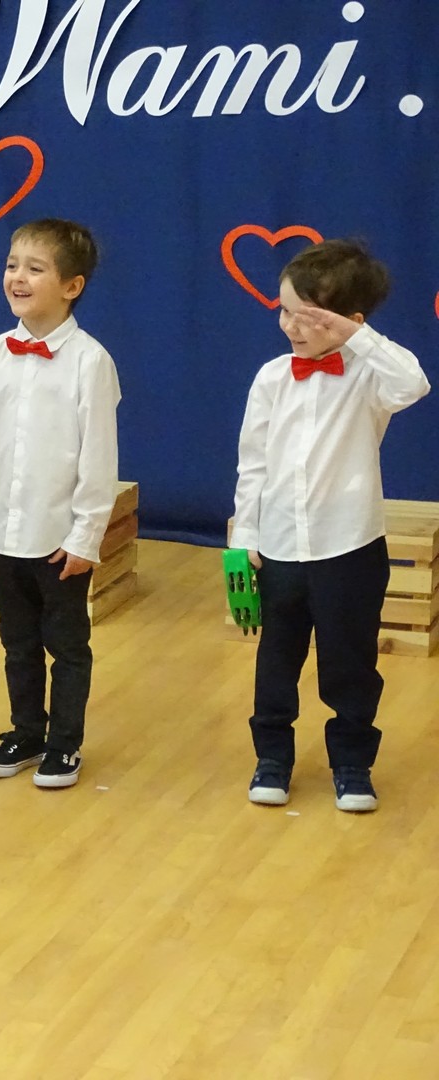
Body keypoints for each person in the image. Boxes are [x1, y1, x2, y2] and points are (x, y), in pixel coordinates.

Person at [232, 239, 429, 812]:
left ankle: (352, 763)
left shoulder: (370, 376)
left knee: (350, 662)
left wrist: (356, 337)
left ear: (349, 321)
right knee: (276, 660)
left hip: (350, 546)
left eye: (308, 316)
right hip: (280, 547)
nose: (290, 325)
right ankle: (273, 757)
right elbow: (253, 463)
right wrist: (245, 537)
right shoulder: (272, 377)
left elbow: (414, 382)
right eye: (285, 310)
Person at [0, 218, 121, 789]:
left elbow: (98, 459)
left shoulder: (90, 361)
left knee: (67, 646)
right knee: (17, 642)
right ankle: (26, 732)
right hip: (3, 532)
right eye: (11, 265)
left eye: (34, 268)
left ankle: (65, 745)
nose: (17, 277)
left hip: (58, 540)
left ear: (71, 286)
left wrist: (85, 537)